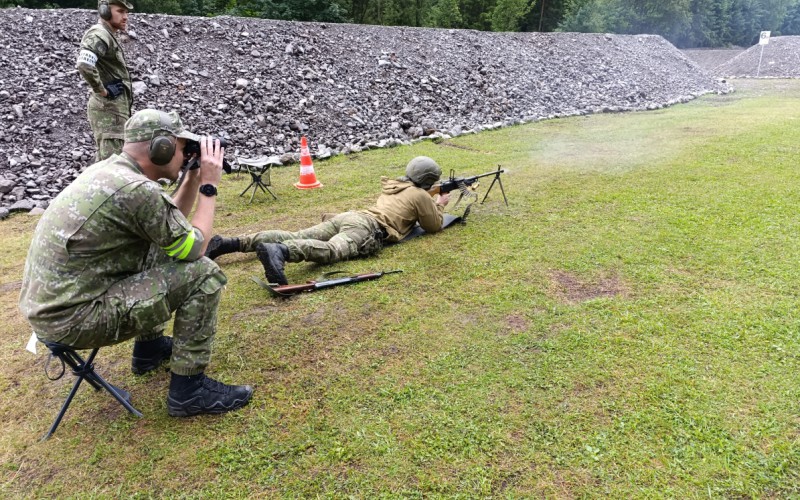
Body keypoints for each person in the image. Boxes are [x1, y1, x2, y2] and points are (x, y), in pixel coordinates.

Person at [19, 109, 253, 417]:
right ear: (162, 147)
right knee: (203, 273)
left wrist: (193, 176)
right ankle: (189, 392)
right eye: (182, 148)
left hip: (56, 311)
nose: (184, 156)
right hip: (75, 320)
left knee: (159, 250)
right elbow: (195, 247)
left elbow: (169, 229)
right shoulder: (136, 189)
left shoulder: (113, 172)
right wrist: (209, 186)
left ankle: (150, 350)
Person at [205, 156, 451, 285]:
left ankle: (230, 243)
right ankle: (280, 252)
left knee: (297, 234)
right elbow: (433, 226)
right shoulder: (420, 194)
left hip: (349, 216)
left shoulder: (396, 185)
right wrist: (439, 205)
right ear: (429, 180)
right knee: (332, 251)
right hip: (367, 228)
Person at [76, 0, 135, 161]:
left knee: (108, 162)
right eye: (120, 11)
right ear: (104, 12)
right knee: (112, 164)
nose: (125, 17)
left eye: (126, 12)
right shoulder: (99, 34)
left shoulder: (106, 34)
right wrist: (101, 90)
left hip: (114, 110)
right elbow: (84, 64)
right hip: (109, 111)